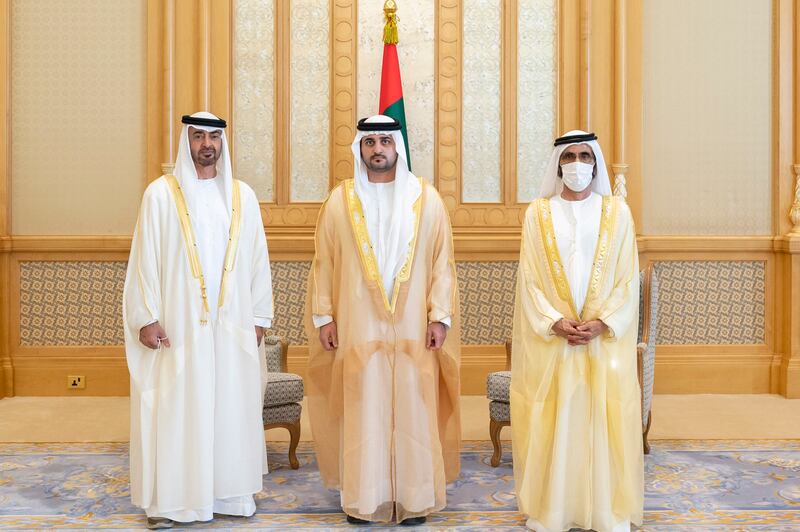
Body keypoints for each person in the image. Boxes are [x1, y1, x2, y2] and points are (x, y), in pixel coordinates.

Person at [305, 115, 461, 526]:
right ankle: (364, 499)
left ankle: (415, 499)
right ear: (359, 148)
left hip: (415, 330)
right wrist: (324, 317)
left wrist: (439, 317)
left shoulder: (426, 199)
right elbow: (324, 263)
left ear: (398, 148)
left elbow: (442, 264)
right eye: (370, 142)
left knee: (414, 408)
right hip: (358, 328)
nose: (378, 150)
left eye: (385, 142)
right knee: (363, 411)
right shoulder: (339, 201)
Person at [123, 112, 274, 529]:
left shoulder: (243, 196)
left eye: (213, 136)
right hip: (178, 329)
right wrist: (146, 318)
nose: (206, 144)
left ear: (223, 142)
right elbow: (143, 262)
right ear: (185, 141)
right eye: (197, 136)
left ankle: (230, 494)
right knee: (177, 409)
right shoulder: (159, 196)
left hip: (232, 329)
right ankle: (173, 502)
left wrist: (259, 315)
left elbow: (258, 260)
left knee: (230, 405)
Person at [510, 131, 643, 532]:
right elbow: (529, 278)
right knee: (555, 419)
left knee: (605, 421)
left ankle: (606, 511)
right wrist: (554, 320)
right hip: (555, 339)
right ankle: (553, 510)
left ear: (596, 162)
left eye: (586, 155)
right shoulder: (538, 213)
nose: (578, 164)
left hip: (603, 340)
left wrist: (605, 322)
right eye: (569, 156)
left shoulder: (618, 212)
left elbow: (626, 278)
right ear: (557, 164)